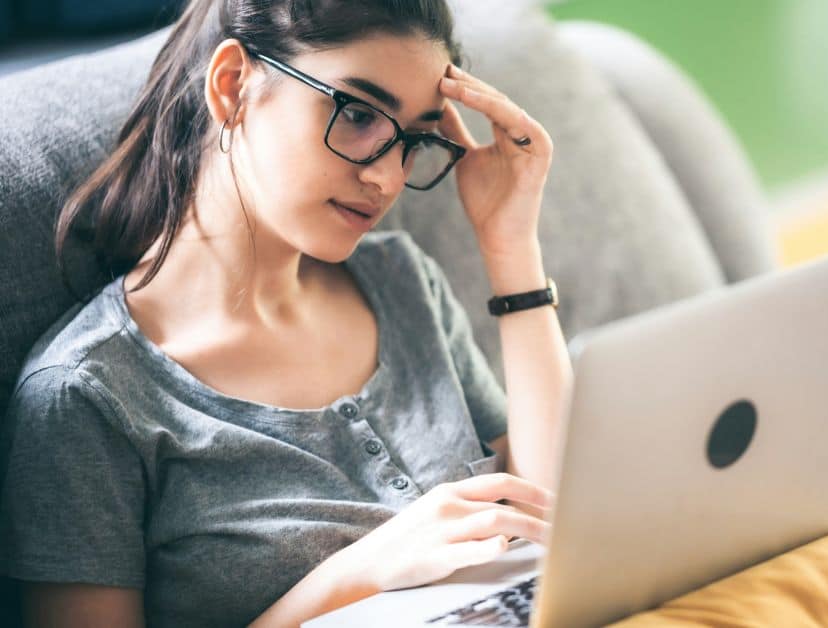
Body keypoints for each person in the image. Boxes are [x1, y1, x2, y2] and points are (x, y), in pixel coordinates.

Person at [0, 0, 566, 625]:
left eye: (413, 139)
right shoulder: (87, 399)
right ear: (233, 85)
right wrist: (356, 575)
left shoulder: (402, 282)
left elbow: (560, 515)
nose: (386, 177)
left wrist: (510, 243)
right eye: (356, 115)